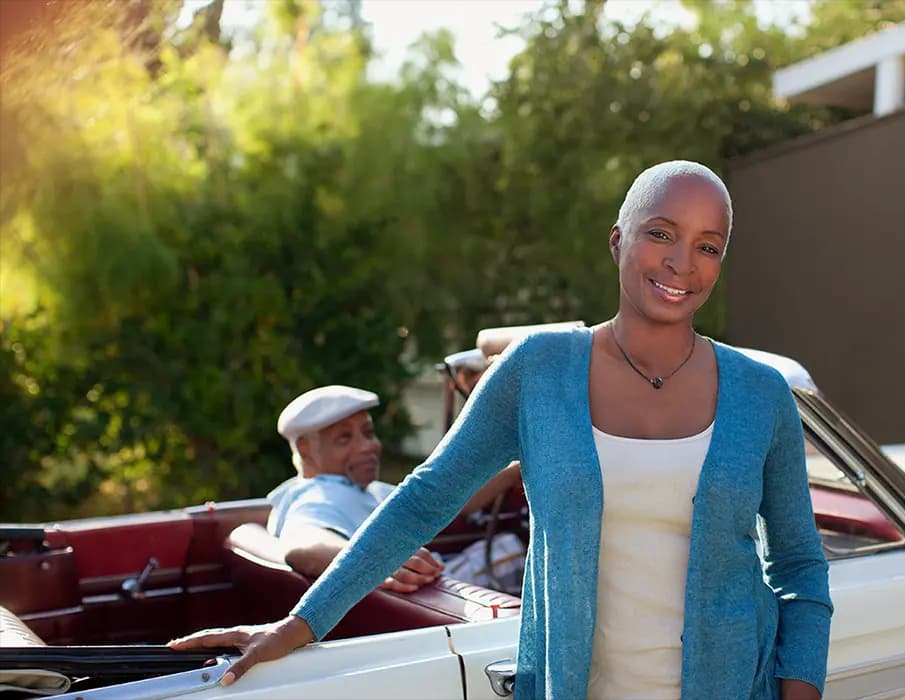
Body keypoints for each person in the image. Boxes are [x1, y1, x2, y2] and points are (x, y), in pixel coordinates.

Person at [170, 160, 833, 700]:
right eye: (661, 233)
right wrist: (299, 625)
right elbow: (426, 498)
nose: (682, 262)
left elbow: (800, 565)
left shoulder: (761, 394)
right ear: (617, 239)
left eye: (707, 245)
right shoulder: (538, 371)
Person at [268, 384, 524, 589]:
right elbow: (302, 545)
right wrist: (379, 562)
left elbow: (452, 503)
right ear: (305, 449)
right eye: (344, 439)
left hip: (429, 592)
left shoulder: (365, 489)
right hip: (427, 594)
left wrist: (514, 470)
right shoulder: (317, 496)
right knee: (513, 547)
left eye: (368, 433)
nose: (367, 447)